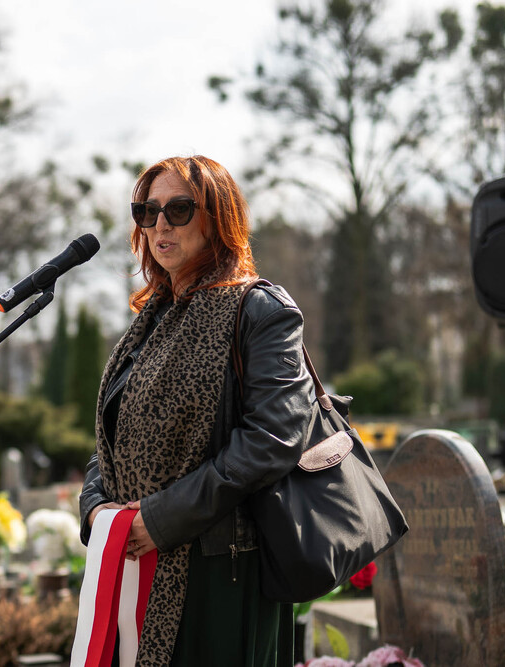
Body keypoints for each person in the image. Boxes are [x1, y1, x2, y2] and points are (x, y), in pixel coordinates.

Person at [79, 156, 315, 667]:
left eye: (179, 209)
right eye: (147, 210)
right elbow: (112, 438)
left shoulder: (260, 310)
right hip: (135, 563)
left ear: (218, 218)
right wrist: (96, 508)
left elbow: (273, 439)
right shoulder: (148, 321)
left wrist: (162, 518)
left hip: (220, 574)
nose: (160, 223)